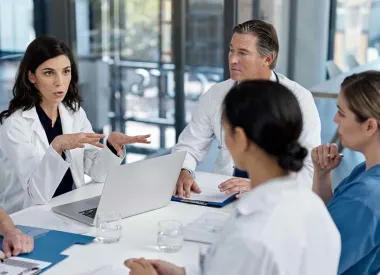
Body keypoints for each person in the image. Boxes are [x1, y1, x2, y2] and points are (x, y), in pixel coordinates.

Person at [124, 80, 340, 275]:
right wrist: (183, 273)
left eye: (226, 131)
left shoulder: (253, 237)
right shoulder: (314, 209)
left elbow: (245, 259)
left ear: (241, 139)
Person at [0, 36, 150, 214]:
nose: (60, 81)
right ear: (32, 76)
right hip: (28, 218)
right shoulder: (14, 124)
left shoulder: (73, 112)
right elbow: (37, 195)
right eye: (49, 73)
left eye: (65, 71)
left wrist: (112, 147)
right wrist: (57, 146)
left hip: (70, 209)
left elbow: (98, 172)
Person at [172, 19, 320, 198]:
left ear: (268, 58)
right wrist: (184, 169)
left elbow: (310, 170)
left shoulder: (298, 98)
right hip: (222, 195)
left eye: (243, 53)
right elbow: (189, 144)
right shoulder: (216, 94)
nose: (233, 60)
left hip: (277, 197)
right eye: (231, 50)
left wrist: (261, 185)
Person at [312, 71, 380, 275]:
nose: (334, 120)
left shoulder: (364, 197)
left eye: (341, 113)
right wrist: (322, 175)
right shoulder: (367, 170)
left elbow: (310, 265)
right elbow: (328, 222)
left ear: (369, 126)